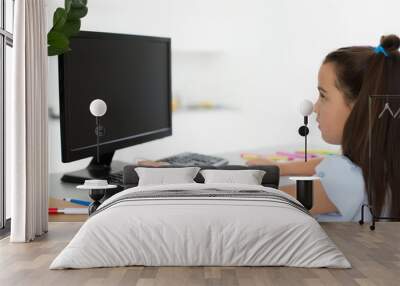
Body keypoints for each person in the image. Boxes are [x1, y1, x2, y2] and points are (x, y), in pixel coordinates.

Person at [247, 34, 400, 221]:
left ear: (358, 107)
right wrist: (279, 168)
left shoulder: (346, 183)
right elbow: (329, 163)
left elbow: (259, 205)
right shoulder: (380, 167)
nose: (315, 108)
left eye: (324, 96)